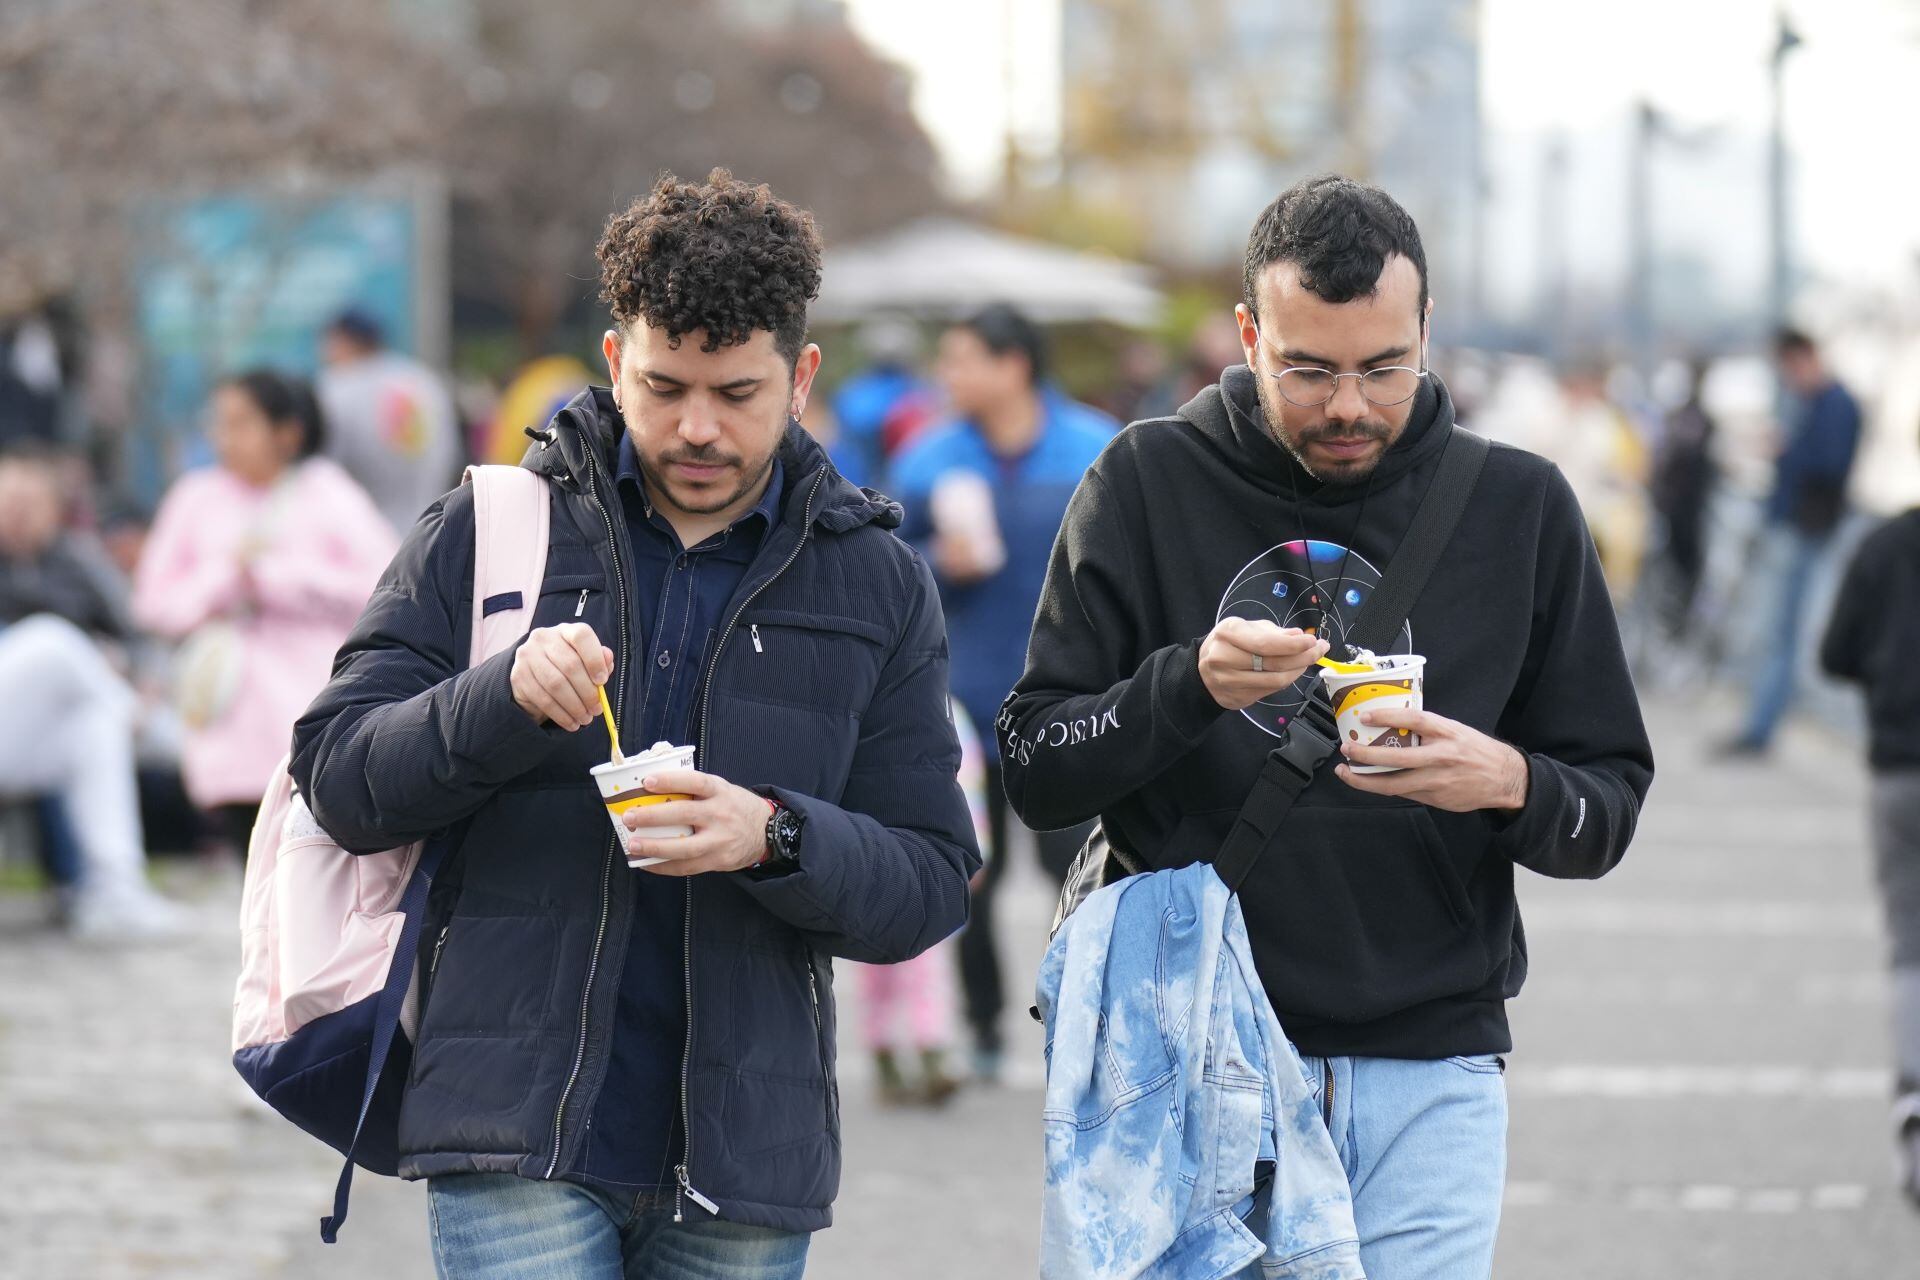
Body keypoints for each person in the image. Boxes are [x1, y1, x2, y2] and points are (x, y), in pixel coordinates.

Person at [290, 169, 978, 1280]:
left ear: (800, 378)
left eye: (737, 392)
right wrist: (502, 696)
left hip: (747, 1160)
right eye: (664, 386)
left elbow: (933, 877)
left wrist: (776, 834)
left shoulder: (876, 581)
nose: (696, 426)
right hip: (512, 1128)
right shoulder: (491, 525)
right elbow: (338, 777)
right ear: (614, 359)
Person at [1000, 176, 1654, 1277]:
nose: (1348, 404)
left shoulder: (1521, 506)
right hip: (1190, 1054)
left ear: (1426, 334)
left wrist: (1506, 779)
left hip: (1431, 1068)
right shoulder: (1144, 478)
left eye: (1383, 366)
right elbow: (1034, 767)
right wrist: (1187, 687)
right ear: (1249, 335)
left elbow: (1609, 806)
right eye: (1308, 368)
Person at [889, 303, 1116, 1082]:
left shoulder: (1096, 449)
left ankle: (1079, 1023)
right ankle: (984, 1028)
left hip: (1071, 707)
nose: (949, 376)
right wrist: (934, 559)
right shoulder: (926, 457)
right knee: (969, 878)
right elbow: (883, 564)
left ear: (1012, 365)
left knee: (1081, 874)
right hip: (960, 702)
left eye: (962, 360)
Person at [132, 371, 396, 853]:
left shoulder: (328, 492)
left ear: (288, 432)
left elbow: (387, 584)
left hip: (313, 706)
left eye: (240, 423)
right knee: (249, 862)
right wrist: (222, 581)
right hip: (228, 717)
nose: (223, 438)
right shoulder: (196, 497)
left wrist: (283, 579)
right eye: (219, 424)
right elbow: (152, 602)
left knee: (310, 857)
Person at [0, 447, 186, 940]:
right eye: (8, 499)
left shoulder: (75, 561)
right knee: (53, 640)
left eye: (29, 501)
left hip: (24, 734)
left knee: (92, 727)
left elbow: (137, 634)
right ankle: (156, 730)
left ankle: (112, 891)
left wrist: (134, 674)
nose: (17, 512)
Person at [1820, 504, 1920, 1207]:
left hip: (1898, 771)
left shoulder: (1883, 545)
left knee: (1912, 946)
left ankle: (1915, 1095)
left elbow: (1835, 654)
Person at [1723, 328, 1863, 756]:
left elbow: (1831, 465)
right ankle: (1762, 722)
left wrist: (1784, 450)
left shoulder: (1835, 404)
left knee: (1779, 631)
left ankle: (1762, 726)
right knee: (1776, 630)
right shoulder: (1816, 403)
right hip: (1796, 526)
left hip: (1804, 530)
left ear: (1802, 359)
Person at [315, 307, 463, 533]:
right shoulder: (424, 381)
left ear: (342, 340)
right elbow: (450, 452)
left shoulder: (338, 387)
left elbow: (322, 468)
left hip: (362, 537)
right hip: (429, 531)